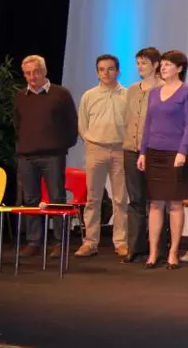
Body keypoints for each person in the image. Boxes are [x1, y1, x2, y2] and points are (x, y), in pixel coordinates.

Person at [13, 55, 78, 258]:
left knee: (56, 198)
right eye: (27, 73)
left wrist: (60, 146)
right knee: (30, 199)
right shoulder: (21, 96)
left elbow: (71, 124)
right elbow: (17, 124)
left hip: (53, 155)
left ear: (44, 71)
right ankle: (34, 241)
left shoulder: (61, 94)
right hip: (27, 156)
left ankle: (60, 242)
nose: (32, 77)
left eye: (36, 72)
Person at [138, 50, 188, 269]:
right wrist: (143, 152)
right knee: (155, 204)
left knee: (174, 204)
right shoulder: (154, 93)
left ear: (180, 68)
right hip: (154, 152)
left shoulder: (187, 92)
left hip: (175, 154)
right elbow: (148, 124)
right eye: (161, 64)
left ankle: (173, 252)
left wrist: (183, 151)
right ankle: (154, 252)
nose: (162, 68)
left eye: (168, 65)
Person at [75, 54, 128, 258]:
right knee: (92, 199)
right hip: (95, 149)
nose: (106, 73)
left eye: (110, 69)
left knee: (121, 199)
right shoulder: (89, 95)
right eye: (102, 69)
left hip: (120, 149)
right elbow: (82, 124)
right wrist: (90, 139)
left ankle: (121, 242)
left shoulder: (127, 95)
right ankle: (90, 242)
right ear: (97, 73)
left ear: (118, 71)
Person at [121, 47, 164, 264]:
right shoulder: (132, 90)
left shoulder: (165, 89)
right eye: (138, 63)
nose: (140, 67)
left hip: (156, 151)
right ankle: (135, 247)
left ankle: (157, 247)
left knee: (157, 200)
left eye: (144, 63)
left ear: (156, 65)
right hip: (131, 149)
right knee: (136, 199)